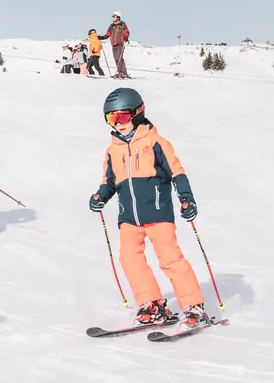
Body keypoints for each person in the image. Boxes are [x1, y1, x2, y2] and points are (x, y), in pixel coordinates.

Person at [88, 86, 208, 327]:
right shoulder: (113, 150)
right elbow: (110, 181)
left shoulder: (155, 142)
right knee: (129, 259)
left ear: (137, 112)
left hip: (158, 213)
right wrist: (101, 196)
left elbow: (177, 172)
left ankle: (193, 305)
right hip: (128, 218)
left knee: (170, 259)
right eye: (110, 118)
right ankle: (151, 304)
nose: (117, 123)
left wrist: (186, 197)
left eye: (121, 116)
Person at [106, 12, 131, 79]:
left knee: (119, 58)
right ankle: (120, 72)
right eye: (112, 16)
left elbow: (127, 31)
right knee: (116, 59)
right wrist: (102, 37)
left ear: (118, 17)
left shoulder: (122, 24)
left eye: (114, 16)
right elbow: (108, 34)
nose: (113, 18)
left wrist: (126, 36)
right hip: (113, 44)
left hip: (120, 43)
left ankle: (124, 73)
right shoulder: (112, 26)